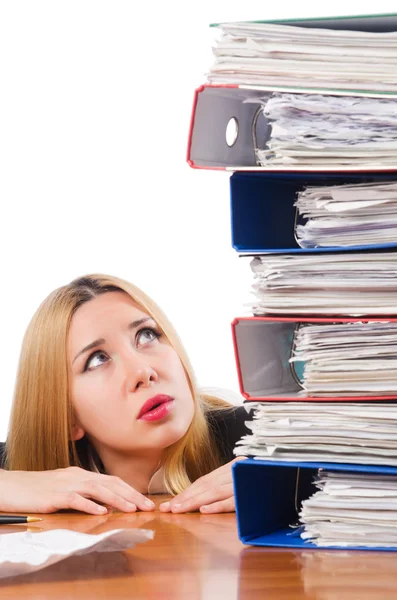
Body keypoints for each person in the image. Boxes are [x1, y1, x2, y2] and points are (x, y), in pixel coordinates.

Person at [0, 274, 250, 515]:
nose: (143, 371)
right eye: (97, 359)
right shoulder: (25, 471)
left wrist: (287, 478)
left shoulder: (258, 434)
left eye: (146, 335)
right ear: (67, 418)